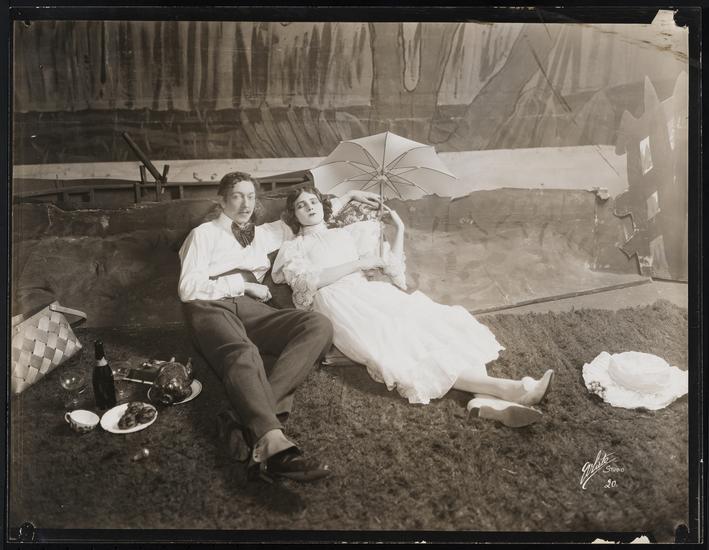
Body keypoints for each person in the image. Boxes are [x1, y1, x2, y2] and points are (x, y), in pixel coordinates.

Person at [272, 186, 554, 428]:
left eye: (313, 201)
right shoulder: (294, 247)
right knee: (403, 345)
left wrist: (400, 230)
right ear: (293, 215)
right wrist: (358, 263)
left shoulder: (348, 234)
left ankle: (483, 400)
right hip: (338, 301)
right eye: (301, 205)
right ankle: (512, 389)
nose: (309, 207)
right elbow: (307, 284)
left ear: (323, 206)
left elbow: (393, 271)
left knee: (435, 324)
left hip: (367, 291)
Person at [178, 172, 380, 482]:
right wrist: (243, 285)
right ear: (222, 200)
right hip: (210, 304)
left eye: (250, 196)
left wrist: (349, 195)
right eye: (237, 196)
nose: (245, 204)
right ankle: (272, 443)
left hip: (253, 309)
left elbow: (311, 213)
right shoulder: (202, 234)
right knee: (243, 353)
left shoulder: (267, 233)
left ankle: (241, 419)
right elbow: (188, 288)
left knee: (317, 324)